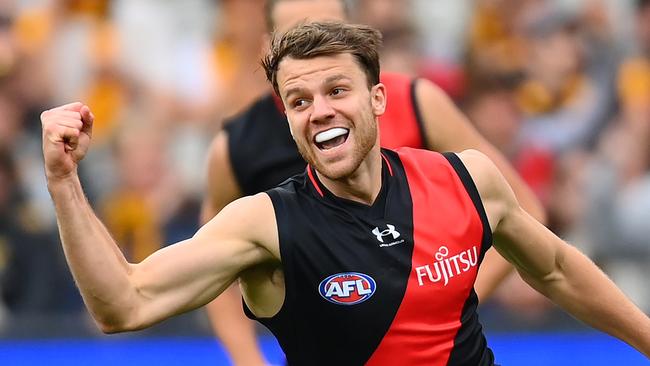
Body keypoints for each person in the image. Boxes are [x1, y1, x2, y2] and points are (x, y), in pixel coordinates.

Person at [41, 21, 650, 365]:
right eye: (300, 101)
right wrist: (64, 182)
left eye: (338, 90)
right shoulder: (264, 224)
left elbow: (559, 269)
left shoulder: (466, 178)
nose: (320, 111)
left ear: (378, 99)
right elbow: (122, 303)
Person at [202, 1, 545, 363]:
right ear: (266, 49)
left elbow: (519, 207)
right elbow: (216, 266)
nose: (313, 45)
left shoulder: (415, 101)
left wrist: (437, 302)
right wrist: (248, 359)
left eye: (327, 29)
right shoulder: (236, 147)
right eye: (296, 34)